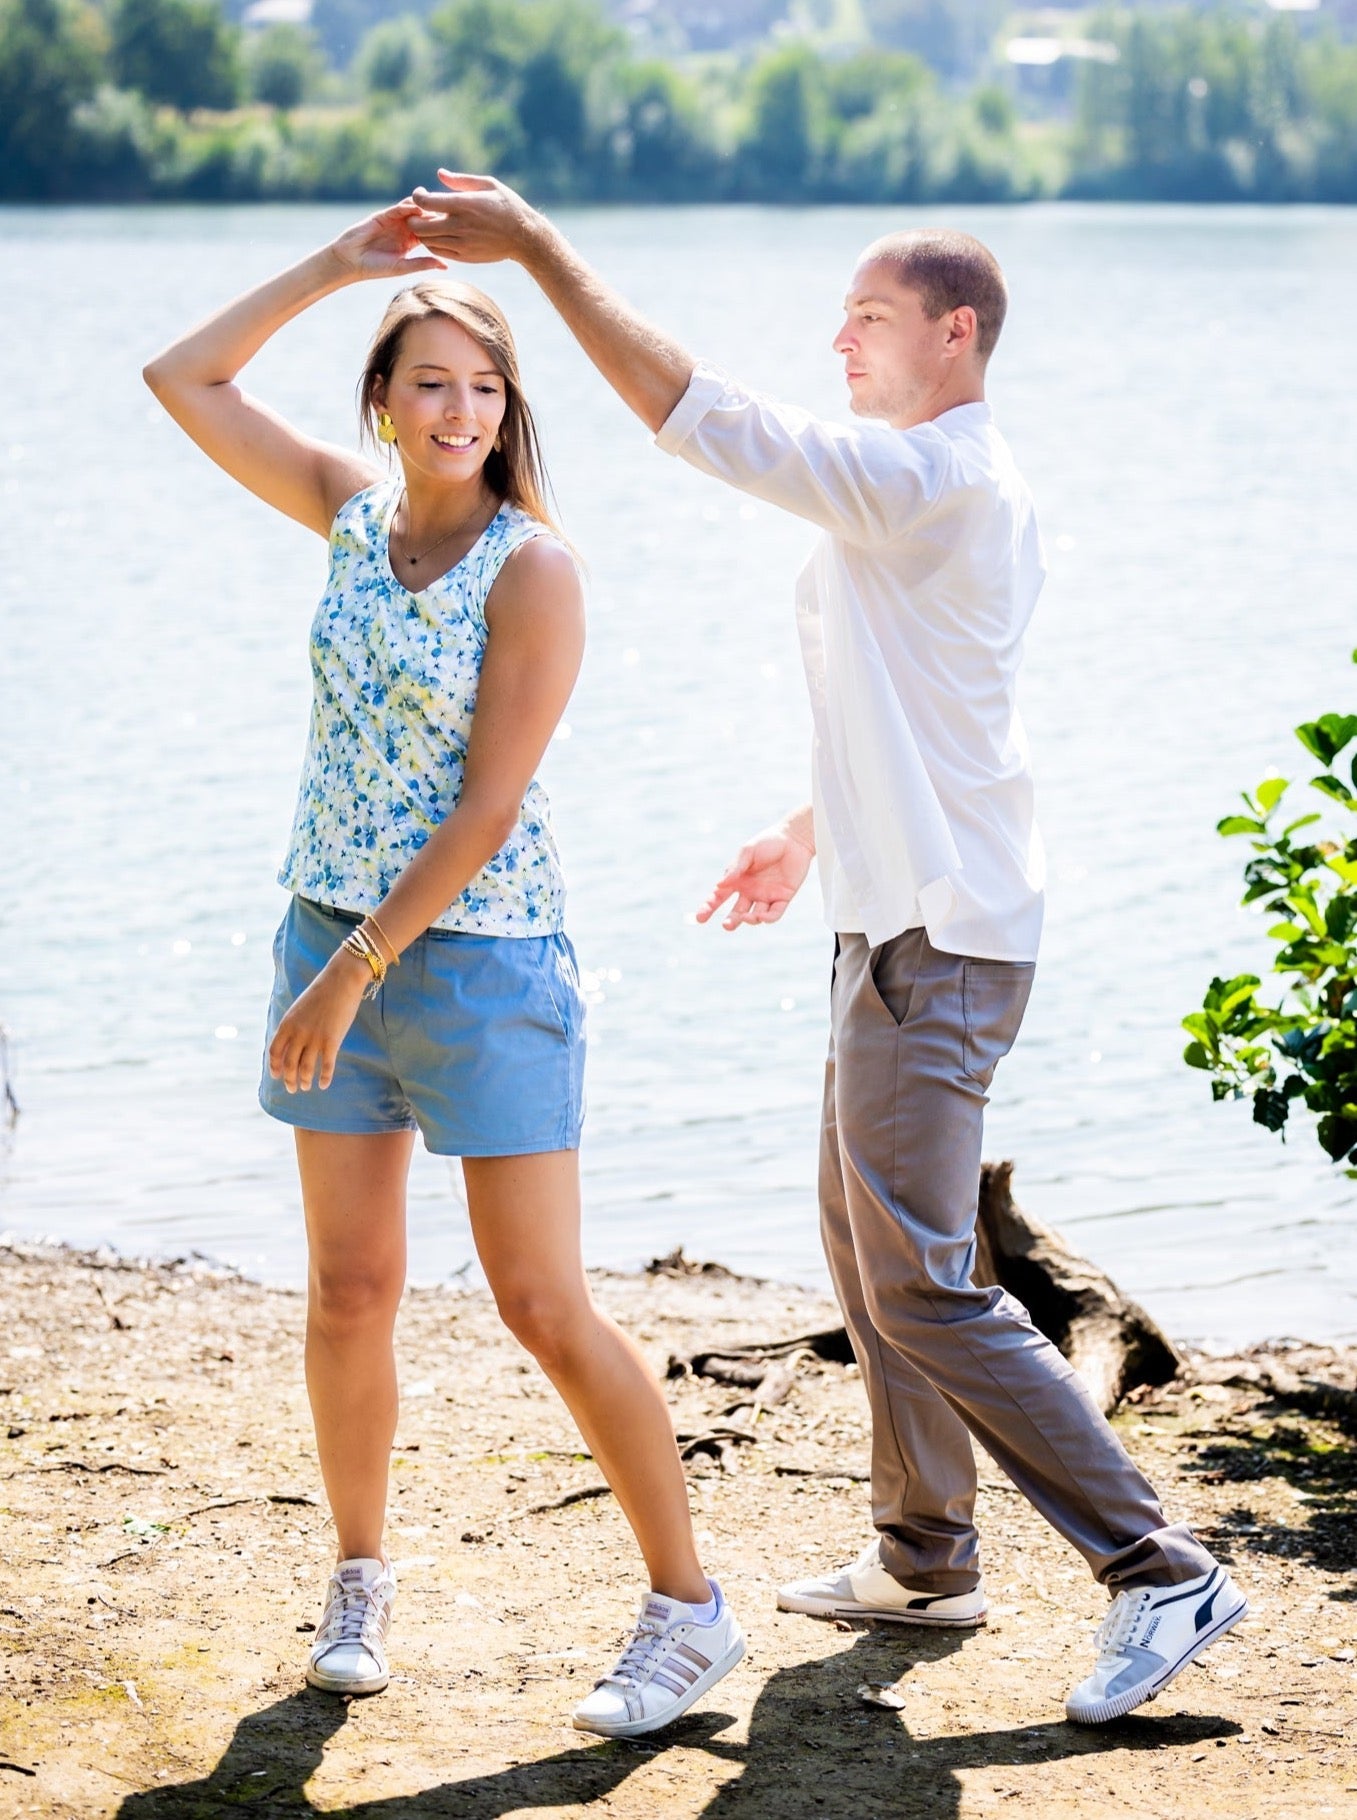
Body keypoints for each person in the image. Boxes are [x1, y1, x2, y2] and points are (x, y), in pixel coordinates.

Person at [406, 173, 1248, 1725]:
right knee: (872, 1264)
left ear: (954, 330)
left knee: (925, 1284)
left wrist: (537, 251)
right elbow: (923, 699)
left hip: (942, 943)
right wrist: (808, 829)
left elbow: (701, 414)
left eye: (864, 319)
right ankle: (927, 1555)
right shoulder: (928, 488)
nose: (837, 341)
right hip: (895, 917)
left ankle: (1156, 1569)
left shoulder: (935, 477)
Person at [141, 203, 744, 1739]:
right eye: (429, 383)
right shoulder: (349, 516)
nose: (458, 410)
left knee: (543, 1302)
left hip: (474, 969)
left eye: (482, 387)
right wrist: (340, 268)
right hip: (325, 935)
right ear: (384, 402)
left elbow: (487, 812)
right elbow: (181, 376)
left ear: (509, 410)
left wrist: (348, 974)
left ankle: (689, 1606)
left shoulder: (534, 570)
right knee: (350, 1291)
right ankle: (359, 1583)